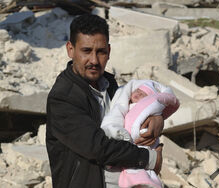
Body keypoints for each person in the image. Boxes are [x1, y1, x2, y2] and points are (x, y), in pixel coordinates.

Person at [46, 14, 165, 188]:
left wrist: (156, 118)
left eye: (100, 52)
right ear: (70, 50)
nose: (94, 60)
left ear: (109, 51)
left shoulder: (110, 85)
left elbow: (129, 118)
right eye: (86, 51)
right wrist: (150, 158)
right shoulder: (63, 97)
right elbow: (97, 147)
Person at [101, 80, 180, 188]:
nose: (137, 94)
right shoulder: (123, 104)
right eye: (137, 91)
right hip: (118, 162)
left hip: (135, 153)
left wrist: (158, 116)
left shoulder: (110, 85)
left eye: (142, 94)